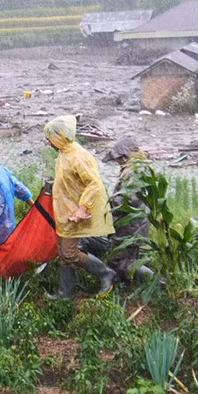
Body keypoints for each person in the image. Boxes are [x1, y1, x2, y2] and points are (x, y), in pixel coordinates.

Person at [44, 115, 116, 299]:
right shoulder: (63, 153)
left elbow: (93, 184)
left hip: (74, 213)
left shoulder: (79, 156)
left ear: (60, 135)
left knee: (69, 252)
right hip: (64, 213)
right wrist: (54, 185)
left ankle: (105, 273)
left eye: (49, 137)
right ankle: (65, 292)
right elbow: (69, 180)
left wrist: (82, 208)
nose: (47, 141)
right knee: (62, 252)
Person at [105, 137, 154, 282]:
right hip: (135, 221)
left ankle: (153, 280)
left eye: (119, 158)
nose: (117, 161)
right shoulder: (138, 167)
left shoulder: (133, 172)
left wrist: (109, 203)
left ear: (125, 156)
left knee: (123, 259)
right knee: (126, 256)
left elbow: (129, 199)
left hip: (131, 223)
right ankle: (125, 284)